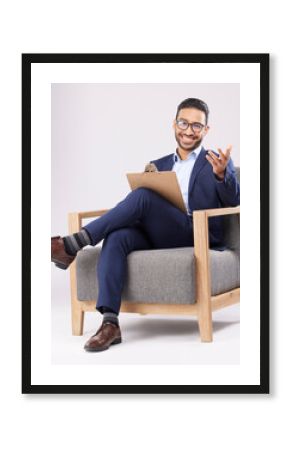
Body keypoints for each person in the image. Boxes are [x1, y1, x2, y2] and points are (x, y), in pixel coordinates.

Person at [51, 97, 240, 352]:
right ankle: (110, 323)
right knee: (117, 236)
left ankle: (72, 244)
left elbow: (234, 200)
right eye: (184, 122)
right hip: (159, 233)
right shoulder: (158, 165)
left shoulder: (216, 162)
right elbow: (141, 210)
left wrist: (221, 176)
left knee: (142, 197)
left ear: (206, 130)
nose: (188, 130)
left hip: (195, 233)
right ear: (174, 124)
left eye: (197, 126)